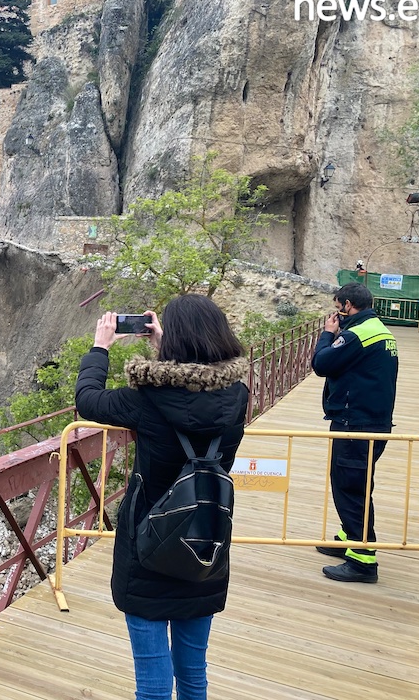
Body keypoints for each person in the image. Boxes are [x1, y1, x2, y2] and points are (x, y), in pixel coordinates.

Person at [75, 295, 249, 700]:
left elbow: (88, 399)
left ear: (175, 340)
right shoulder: (237, 394)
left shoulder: (146, 398)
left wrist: (100, 347)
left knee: (152, 682)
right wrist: (167, 349)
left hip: (148, 545)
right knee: (193, 674)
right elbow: (193, 394)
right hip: (205, 541)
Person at [311, 282, 398, 584]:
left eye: (338, 308)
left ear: (348, 305)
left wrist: (328, 334)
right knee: (356, 483)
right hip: (374, 421)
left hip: (355, 425)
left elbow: (321, 364)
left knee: (350, 487)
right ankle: (349, 537)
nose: (336, 314)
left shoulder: (356, 335)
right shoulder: (380, 330)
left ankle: (363, 560)